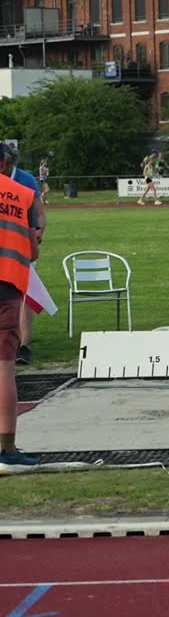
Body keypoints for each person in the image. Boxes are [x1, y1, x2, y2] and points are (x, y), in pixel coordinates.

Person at [0, 149, 40, 469]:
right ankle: (8, 448)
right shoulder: (23, 195)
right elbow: (33, 249)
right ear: (4, 163)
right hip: (7, 288)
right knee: (4, 370)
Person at [0, 148, 44, 366]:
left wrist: (37, 235)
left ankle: (24, 346)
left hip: (19, 251)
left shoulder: (25, 181)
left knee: (26, 297)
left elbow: (39, 214)